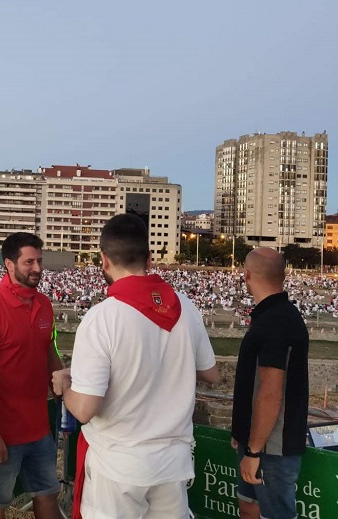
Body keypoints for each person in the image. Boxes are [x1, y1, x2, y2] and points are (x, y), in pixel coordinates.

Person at [52, 214, 219, 519]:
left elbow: (85, 409)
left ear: (104, 260)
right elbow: (210, 374)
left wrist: (65, 386)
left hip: (119, 466)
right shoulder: (186, 307)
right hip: (173, 462)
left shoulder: (102, 317)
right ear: (150, 259)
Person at [0, 232, 63, 519]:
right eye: (29, 262)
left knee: (48, 494)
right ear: (9, 264)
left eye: (40, 261)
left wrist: (64, 389)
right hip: (4, 434)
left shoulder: (45, 304)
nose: (37, 268)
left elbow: (48, 352)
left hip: (40, 430)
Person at [231, 248, 309, 519]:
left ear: (247, 275)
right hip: (257, 442)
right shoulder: (273, 316)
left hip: (271, 448)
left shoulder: (277, 321)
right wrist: (241, 433)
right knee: (248, 507)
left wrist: (253, 450)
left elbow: (270, 392)